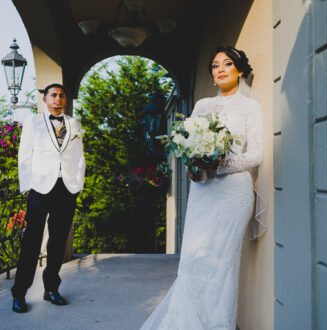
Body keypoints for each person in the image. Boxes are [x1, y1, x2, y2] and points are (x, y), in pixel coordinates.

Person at [141, 47, 264, 329]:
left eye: (227, 64)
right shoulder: (202, 105)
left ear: (240, 70)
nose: (220, 69)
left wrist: (218, 164)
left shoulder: (250, 106)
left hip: (233, 194)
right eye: (215, 65)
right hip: (203, 192)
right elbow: (188, 149)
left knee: (223, 265)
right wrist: (194, 167)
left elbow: (257, 154)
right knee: (193, 259)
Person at [11, 83, 86, 313]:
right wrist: (26, 187)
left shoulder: (74, 124)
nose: (58, 99)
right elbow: (24, 156)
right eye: (53, 95)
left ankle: (51, 289)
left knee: (57, 242)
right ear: (45, 99)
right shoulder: (33, 122)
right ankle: (20, 294)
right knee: (31, 241)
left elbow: (79, 158)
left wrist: (78, 186)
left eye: (62, 95)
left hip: (67, 188)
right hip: (40, 189)